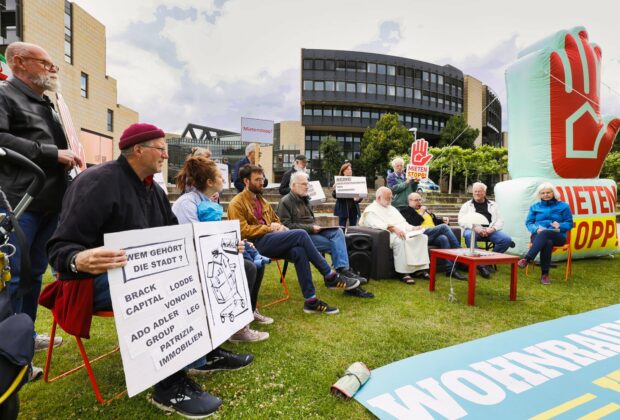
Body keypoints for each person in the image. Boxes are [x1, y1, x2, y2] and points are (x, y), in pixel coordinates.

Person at [47, 123, 248, 418]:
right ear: (138, 150)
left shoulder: (152, 188)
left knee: (204, 271)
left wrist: (220, 247)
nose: (166, 156)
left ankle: (204, 354)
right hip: (88, 281)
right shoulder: (96, 182)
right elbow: (58, 249)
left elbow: (174, 238)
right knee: (167, 285)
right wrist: (79, 259)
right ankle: (168, 388)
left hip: (139, 275)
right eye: (161, 148)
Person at [0, 42, 84, 356]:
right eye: (46, 63)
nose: (53, 69)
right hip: (19, 201)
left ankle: (26, 335)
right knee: (13, 274)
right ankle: (9, 351)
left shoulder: (48, 102)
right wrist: (51, 153)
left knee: (35, 272)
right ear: (19, 62)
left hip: (51, 201)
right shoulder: (4, 96)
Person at [227, 164, 360, 315]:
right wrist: (270, 228)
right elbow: (242, 230)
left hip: (271, 239)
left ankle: (311, 301)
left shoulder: (261, 200)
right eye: (257, 179)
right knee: (300, 234)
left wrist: (279, 226)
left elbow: (276, 219)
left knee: (299, 251)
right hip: (254, 246)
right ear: (246, 181)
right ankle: (330, 276)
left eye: (262, 179)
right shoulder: (236, 203)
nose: (261, 182)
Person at [171, 155, 272, 343]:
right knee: (248, 267)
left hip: (208, 255)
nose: (223, 180)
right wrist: (229, 247)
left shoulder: (206, 200)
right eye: (219, 177)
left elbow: (214, 235)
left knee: (255, 264)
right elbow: (196, 241)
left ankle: (247, 313)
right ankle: (237, 328)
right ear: (209, 182)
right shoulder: (188, 203)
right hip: (191, 261)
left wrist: (235, 243)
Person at [277, 171, 373, 298]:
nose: (307, 186)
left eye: (307, 184)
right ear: (293, 185)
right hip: (300, 238)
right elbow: (286, 226)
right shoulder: (285, 201)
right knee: (338, 246)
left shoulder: (305, 199)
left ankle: (343, 271)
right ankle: (348, 280)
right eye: (304, 184)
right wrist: (311, 228)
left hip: (311, 233)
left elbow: (310, 220)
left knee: (338, 232)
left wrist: (316, 228)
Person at [359, 187, 429, 284]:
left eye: (391, 198)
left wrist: (413, 228)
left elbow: (403, 223)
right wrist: (394, 229)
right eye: (388, 198)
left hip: (403, 232)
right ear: (379, 198)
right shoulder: (371, 210)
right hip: (389, 234)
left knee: (422, 237)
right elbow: (375, 224)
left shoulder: (392, 208)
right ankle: (403, 273)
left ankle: (419, 269)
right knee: (400, 240)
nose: (391, 200)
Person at [400, 193, 466, 280]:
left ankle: (451, 270)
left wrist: (442, 220)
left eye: (420, 200)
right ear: (409, 201)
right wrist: (421, 212)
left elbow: (433, 221)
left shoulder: (424, 210)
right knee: (444, 227)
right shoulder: (406, 210)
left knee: (443, 238)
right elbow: (412, 224)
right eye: (416, 200)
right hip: (419, 235)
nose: (419, 202)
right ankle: (460, 252)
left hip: (431, 234)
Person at [517, 182, 573, 285]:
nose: (545, 195)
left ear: (553, 193)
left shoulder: (564, 206)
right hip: (538, 235)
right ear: (539, 195)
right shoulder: (535, 207)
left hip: (558, 236)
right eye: (543, 193)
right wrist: (536, 229)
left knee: (546, 234)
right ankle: (545, 275)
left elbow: (569, 223)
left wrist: (560, 225)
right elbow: (529, 223)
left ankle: (527, 259)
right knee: (547, 242)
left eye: (548, 192)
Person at [458, 182, 513, 279]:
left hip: (490, 230)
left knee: (506, 240)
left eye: (480, 191)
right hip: (474, 229)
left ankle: (488, 262)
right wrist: (475, 228)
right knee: (468, 235)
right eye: (475, 191)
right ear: (473, 193)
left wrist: (492, 229)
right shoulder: (467, 205)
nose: (477, 193)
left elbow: (500, 220)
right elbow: (461, 220)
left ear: (484, 192)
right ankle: (480, 266)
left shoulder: (493, 205)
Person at [332, 162, 362, 227]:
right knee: (342, 227)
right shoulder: (338, 181)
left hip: (353, 208)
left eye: (351, 169)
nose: (350, 171)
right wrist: (335, 190)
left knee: (353, 227)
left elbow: (360, 195)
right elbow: (334, 195)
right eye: (348, 169)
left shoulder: (356, 181)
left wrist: (359, 198)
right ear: (343, 172)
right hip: (342, 208)